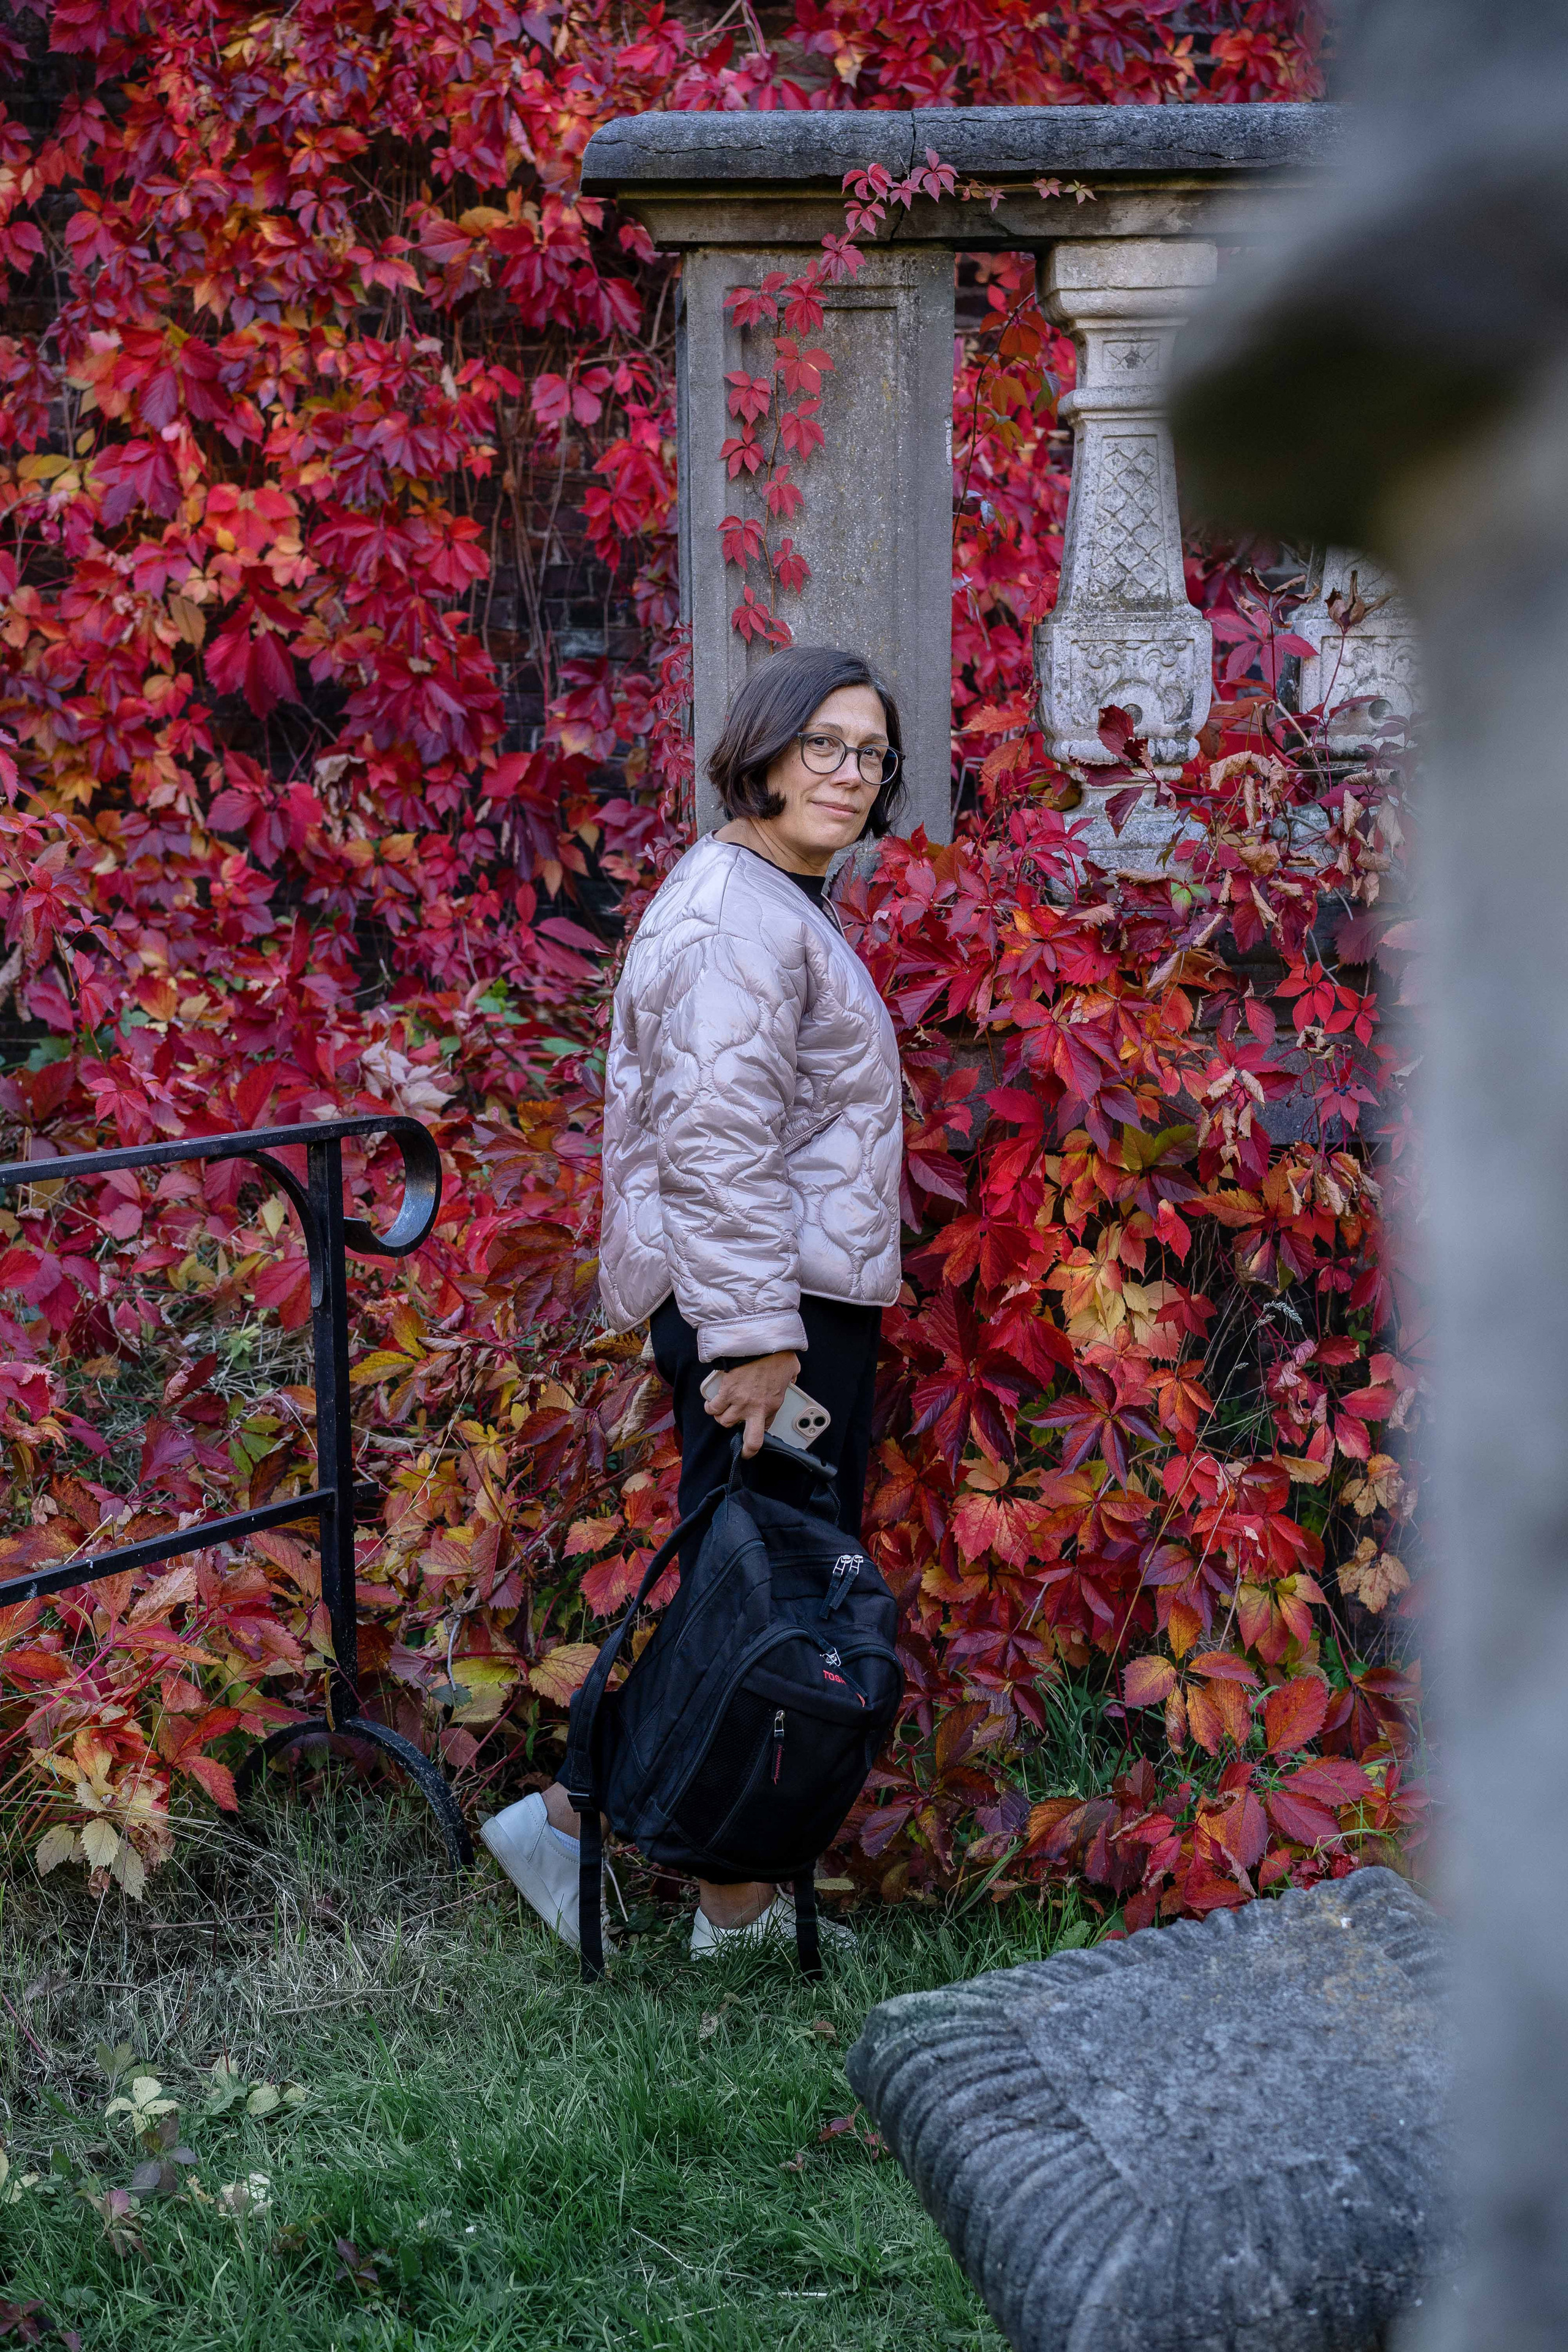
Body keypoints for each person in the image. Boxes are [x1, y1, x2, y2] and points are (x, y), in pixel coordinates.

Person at [481, 644, 906, 1957]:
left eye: (871, 755)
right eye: (823, 745)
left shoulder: (767, 898)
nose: (848, 774)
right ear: (763, 749)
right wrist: (757, 1342)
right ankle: (722, 1897)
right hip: (766, 1311)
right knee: (770, 1601)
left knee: (755, 1588)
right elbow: (712, 1143)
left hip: (785, 1300)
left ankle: (579, 1825)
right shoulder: (735, 916)